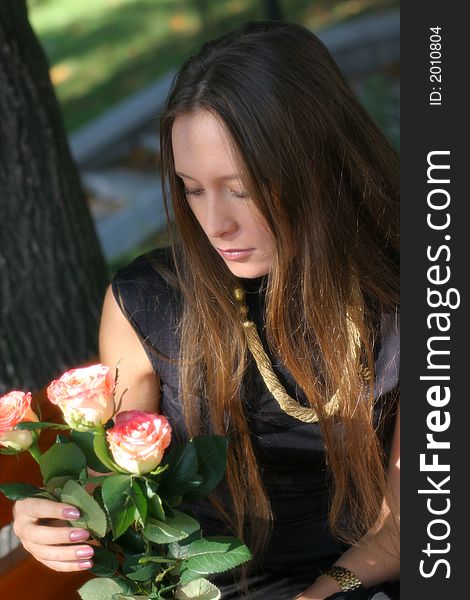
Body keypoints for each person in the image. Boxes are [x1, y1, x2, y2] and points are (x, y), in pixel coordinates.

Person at [12, 20, 400, 600]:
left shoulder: (407, 299)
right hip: (206, 585)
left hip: (366, 575)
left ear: (317, 168)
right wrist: (54, 522)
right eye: (192, 189)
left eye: (241, 188)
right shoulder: (149, 303)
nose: (216, 224)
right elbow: (116, 492)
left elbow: (408, 526)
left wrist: (324, 592)